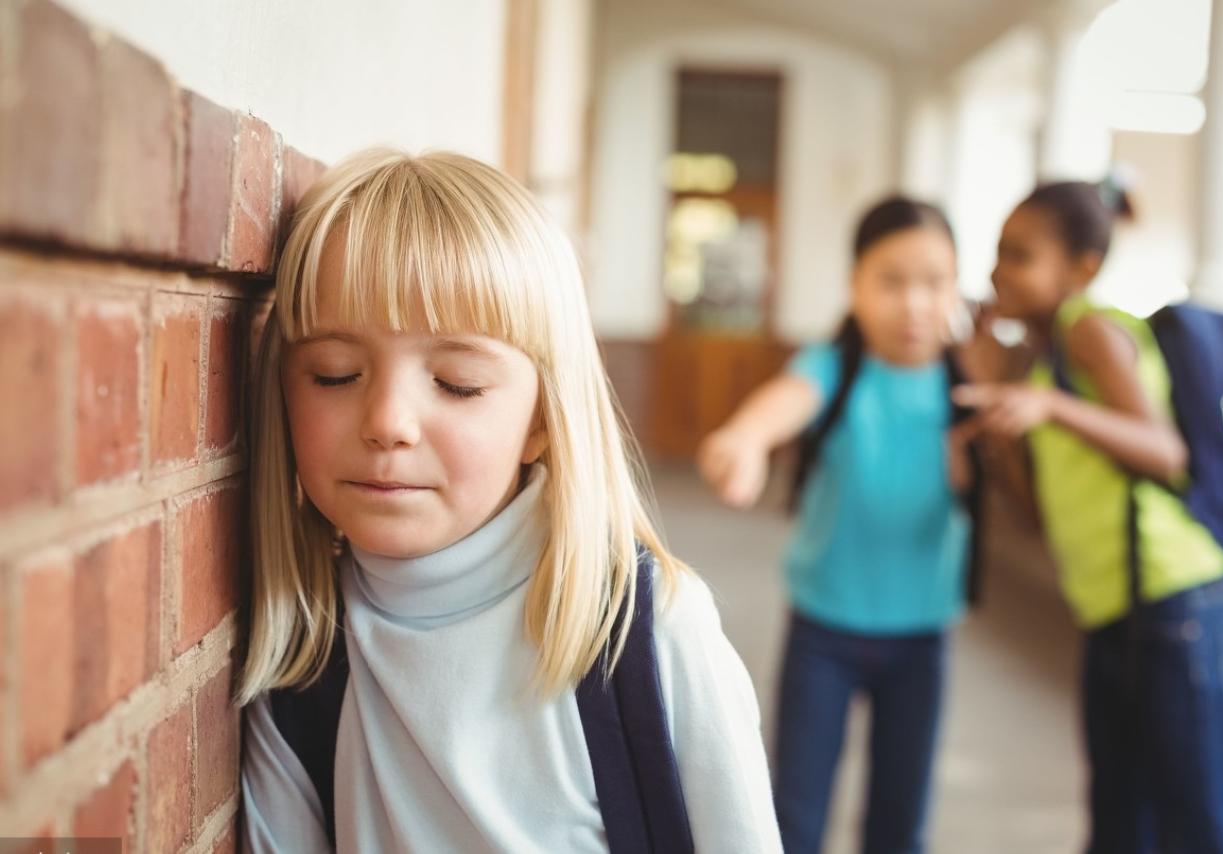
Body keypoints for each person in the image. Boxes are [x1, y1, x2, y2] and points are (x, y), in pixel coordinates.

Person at [237, 148, 782, 852]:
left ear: (541, 422)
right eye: (335, 374)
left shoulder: (647, 637)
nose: (387, 422)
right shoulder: (295, 670)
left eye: (457, 382)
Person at [956, 180, 1223, 854]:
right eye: (997, 252)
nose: (997, 270)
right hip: (1113, 613)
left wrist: (1054, 410)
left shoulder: (1089, 329)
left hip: (1180, 605)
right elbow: (1035, 520)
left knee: (1194, 825)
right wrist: (998, 430)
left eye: (1019, 255)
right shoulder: (1038, 359)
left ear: (1080, 269)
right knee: (1118, 824)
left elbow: (1166, 454)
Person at [698, 197, 976, 854]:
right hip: (825, 629)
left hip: (921, 636)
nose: (913, 303)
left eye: (934, 282)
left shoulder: (967, 386)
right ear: (855, 284)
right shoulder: (835, 367)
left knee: (899, 823)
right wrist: (743, 439)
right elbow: (781, 405)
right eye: (891, 280)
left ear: (956, 287)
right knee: (795, 814)